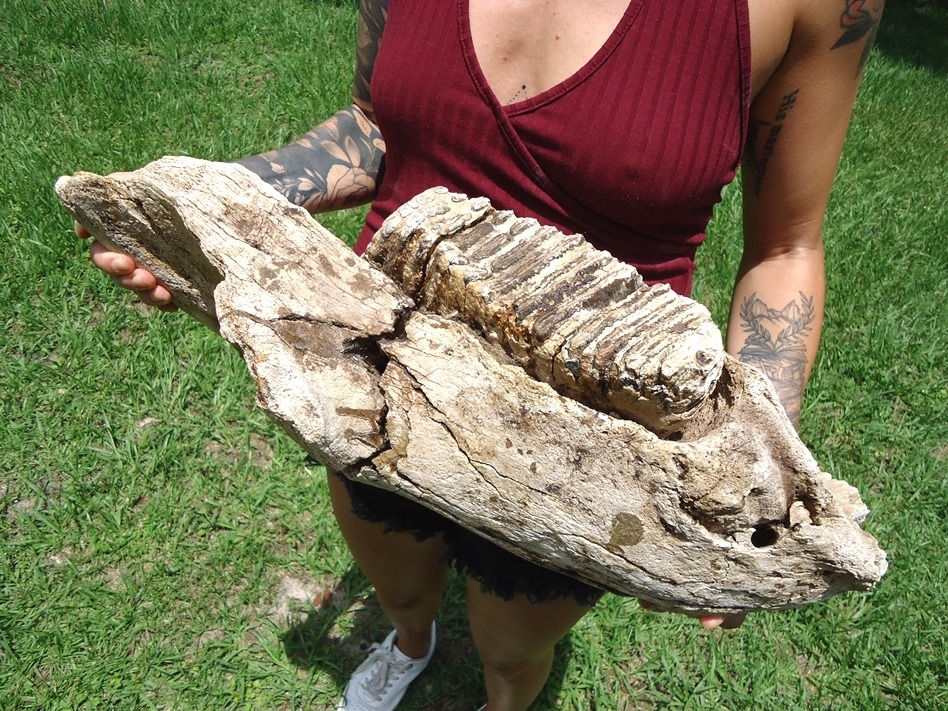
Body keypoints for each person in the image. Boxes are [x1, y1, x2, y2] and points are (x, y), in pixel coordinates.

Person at [75, 1, 885, 709]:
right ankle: (412, 644)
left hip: (591, 443)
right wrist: (220, 202)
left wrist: (755, 482)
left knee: (512, 644)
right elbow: (376, 124)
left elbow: (785, 247)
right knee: (400, 583)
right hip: (378, 364)